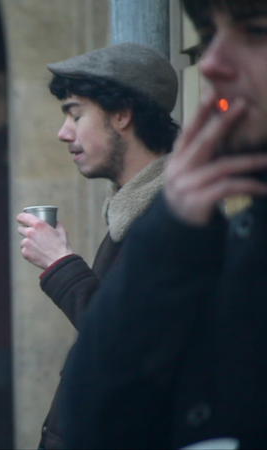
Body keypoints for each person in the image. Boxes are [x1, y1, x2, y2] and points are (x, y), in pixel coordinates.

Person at [59, 0, 267, 448]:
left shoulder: (184, 215)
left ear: (122, 115)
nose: (210, 63)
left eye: (256, 31)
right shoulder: (191, 218)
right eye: (207, 35)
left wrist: (62, 268)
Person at [15, 42, 180, 449]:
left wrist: (61, 265)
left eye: (76, 114)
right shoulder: (134, 209)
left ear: (122, 114)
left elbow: (130, 343)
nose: (63, 132)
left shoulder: (176, 217)